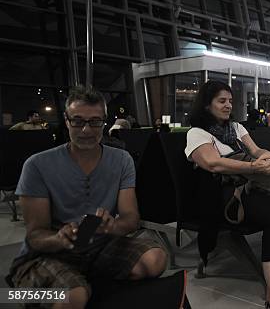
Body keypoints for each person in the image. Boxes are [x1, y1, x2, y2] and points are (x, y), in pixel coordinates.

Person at [8, 86, 167, 309]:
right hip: (49, 254)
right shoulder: (37, 165)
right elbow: (35, 236)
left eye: (94, 122)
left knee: (156, 259)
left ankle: (82, 283)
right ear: (66, 121)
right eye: (78, 121)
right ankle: (32, 293)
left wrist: (112, 226)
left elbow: (131, 218)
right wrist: (59, 238)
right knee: (73, 297)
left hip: (99, 247)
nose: (86, 130)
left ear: (104, 121)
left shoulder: (122, 160)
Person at [185, 81, 270, 309]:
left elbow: (256, 151)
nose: (228, 105)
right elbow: (213, 164)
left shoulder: (236, 128)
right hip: (227, 195)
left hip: (256, 184)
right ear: (207, 105)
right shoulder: (197, 133)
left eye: (230, 101)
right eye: (222, 101)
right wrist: (255, 168)